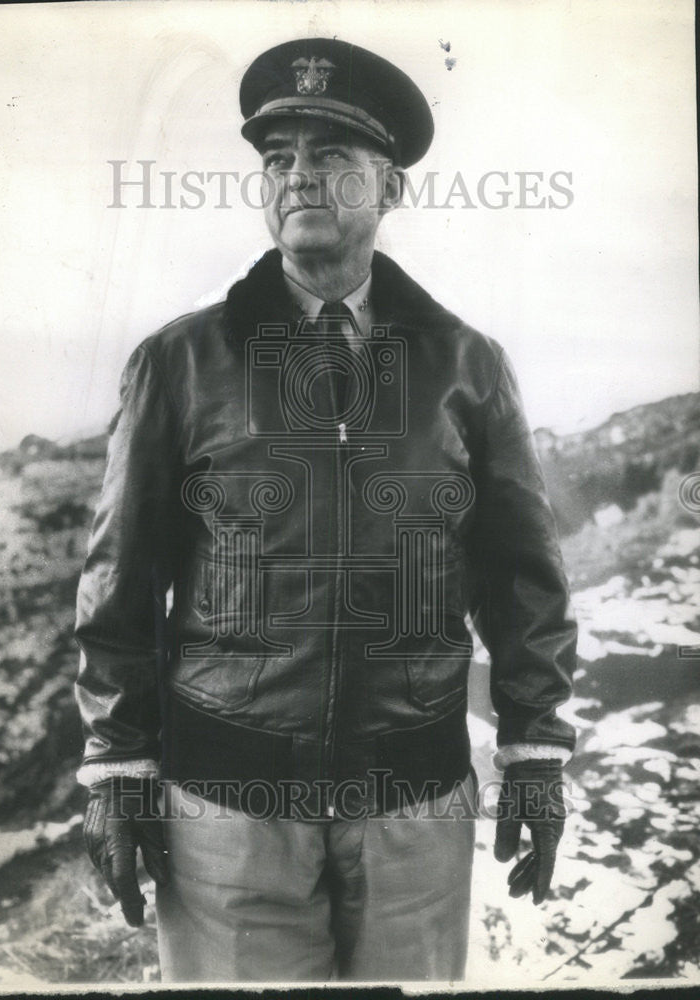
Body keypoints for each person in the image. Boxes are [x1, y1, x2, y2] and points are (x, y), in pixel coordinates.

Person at [75, 36, 576, 983]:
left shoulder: (467, 369)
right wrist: (116, 769)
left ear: (390, 190)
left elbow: (523, 579)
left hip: (415, 815)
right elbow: (119, 585)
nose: (299, 177)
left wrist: (538, 753)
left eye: (332, 158)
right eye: (279, 160)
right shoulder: (179, 364)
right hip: (227, 814)